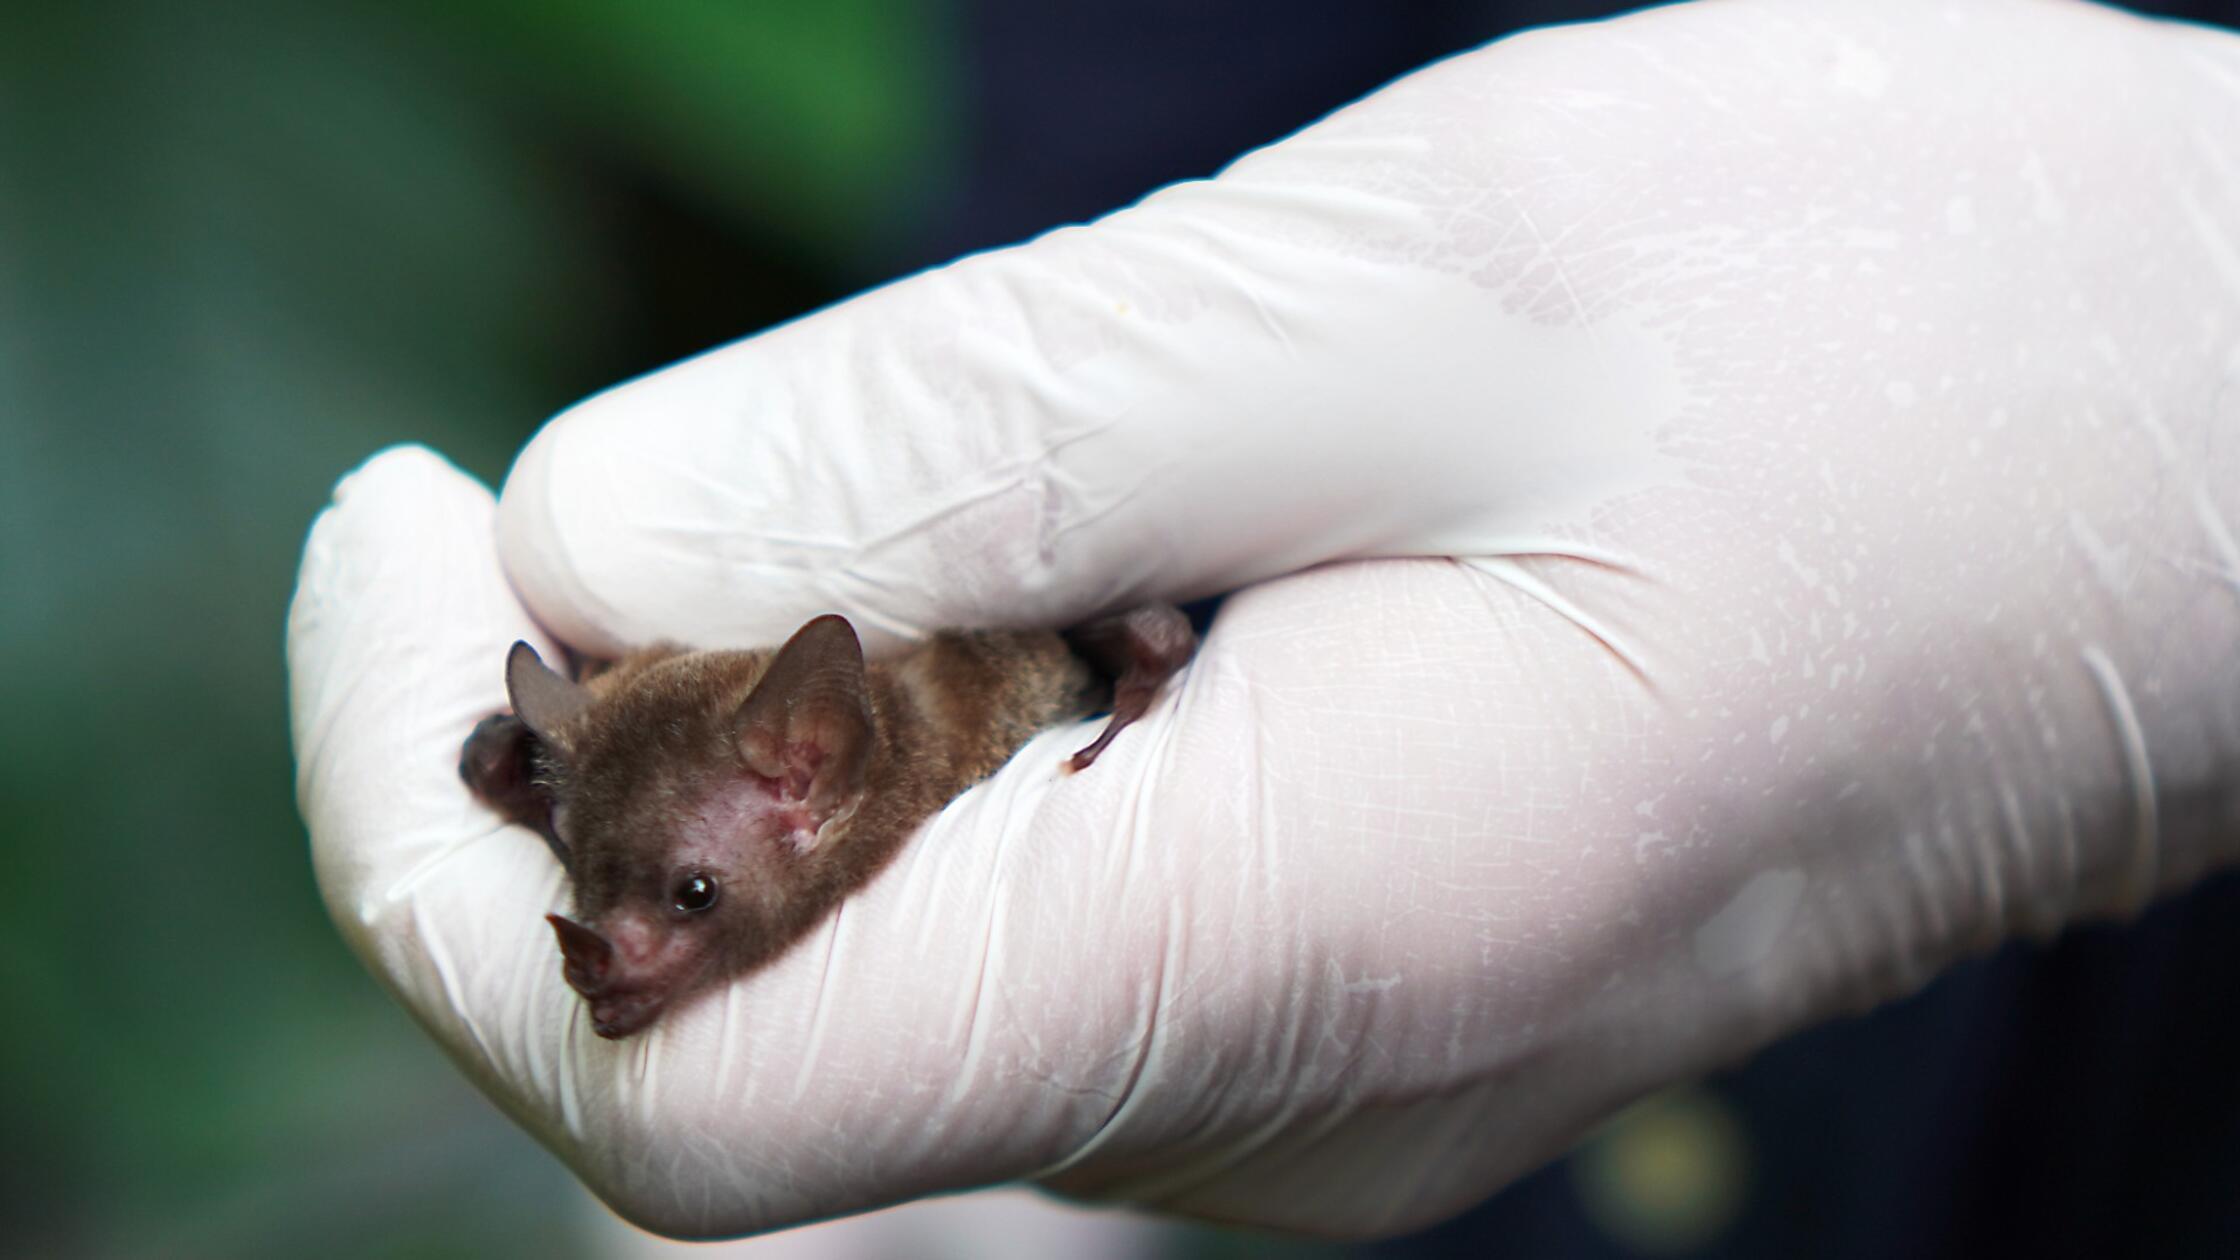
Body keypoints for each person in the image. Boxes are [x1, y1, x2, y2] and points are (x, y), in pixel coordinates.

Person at [288, 0, 2240, 1242]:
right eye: (629, 915)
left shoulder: (865, 761)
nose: (619, 960)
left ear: (805, 786)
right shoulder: (774, 770)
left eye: (675, 911)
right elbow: (1073, 273)